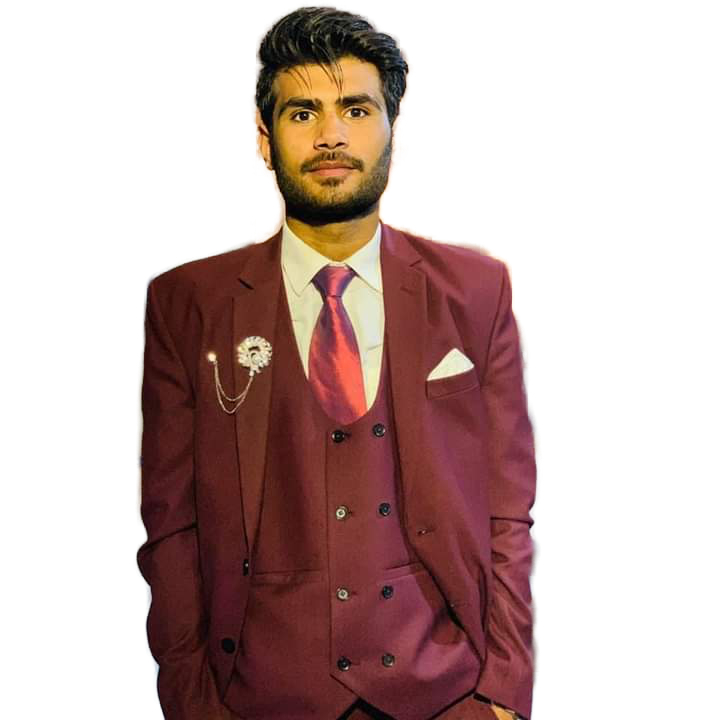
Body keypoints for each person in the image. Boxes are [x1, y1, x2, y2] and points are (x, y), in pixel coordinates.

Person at [137, 7, 536, 720]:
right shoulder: (187, 304)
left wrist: (502, 694)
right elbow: (171, 528)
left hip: (445, 693)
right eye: (302, 113)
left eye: (356, 109)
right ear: (265, 138)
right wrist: (192, 702)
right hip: (259, 699)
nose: (331, 135)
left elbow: (507, 509)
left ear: (391, 127)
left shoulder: (476, 292)